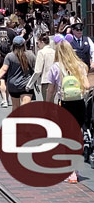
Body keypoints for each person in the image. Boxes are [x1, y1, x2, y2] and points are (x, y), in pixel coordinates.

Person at [46, 38, 91, 183]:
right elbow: (87, 85)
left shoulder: (55, 67)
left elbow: (50, 90)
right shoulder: (81, 66)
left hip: (64, 104)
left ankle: (71, 171)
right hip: (79, 104)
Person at [0, 36, 36, 111]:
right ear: (24, 45)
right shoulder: (30, 54)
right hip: (26, 85)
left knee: (15, 106)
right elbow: (36, 69)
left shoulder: (9, 56)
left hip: (13, 85)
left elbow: (4, 69)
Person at [0, 13, 16, 108]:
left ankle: (4, 100)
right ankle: (7, 98)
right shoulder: (11, 32)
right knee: (9, 78)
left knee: (1, 78)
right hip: (11, 56)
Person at [26, 33, 56, 101]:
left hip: (46, 80)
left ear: (42, 42)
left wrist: (30, 84)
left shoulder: (41, 52)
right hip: (55, 81)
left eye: (37, 43)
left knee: (47, 103)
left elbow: (37, 71)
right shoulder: (54, 52)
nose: (37, 45)